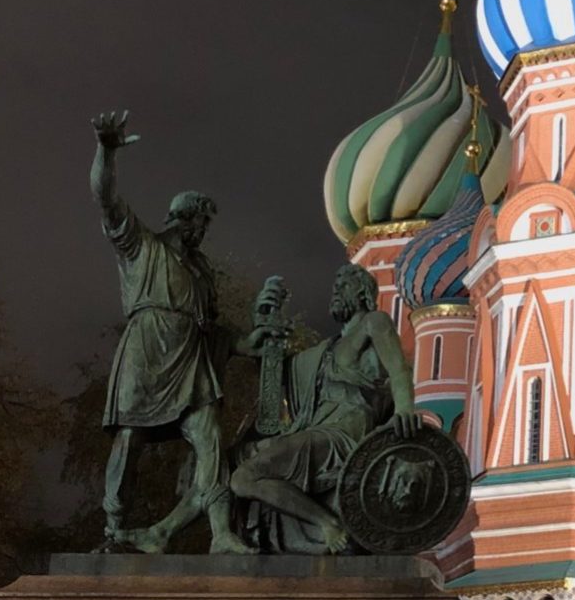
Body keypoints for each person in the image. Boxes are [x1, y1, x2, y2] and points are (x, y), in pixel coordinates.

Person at [89, 109, 270, 552]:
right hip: (147, 353)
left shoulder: (202, 271)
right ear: (184, 218)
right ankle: (114, 528)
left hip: (191, 362)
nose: (204, 232)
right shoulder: (141, 245)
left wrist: (251, 343)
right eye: (202, 223)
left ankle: (221, 533)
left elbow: (216, 333)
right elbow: (105, 198)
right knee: (130, 439)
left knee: (210, 439)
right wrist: (106, 150)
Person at [229, 266, 419, 553]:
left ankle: (327, 523)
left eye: (344, 284)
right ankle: (194, 534)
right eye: (336, 283)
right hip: (315, 430)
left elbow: (399, 369)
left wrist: (405, 408)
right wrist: (265, 323)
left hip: (344, 434)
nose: (335, 290)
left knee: (244, 478)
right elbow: (279, 376)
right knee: (229, 459)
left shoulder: (374, 322)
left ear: (363, 293)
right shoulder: (325, 349)